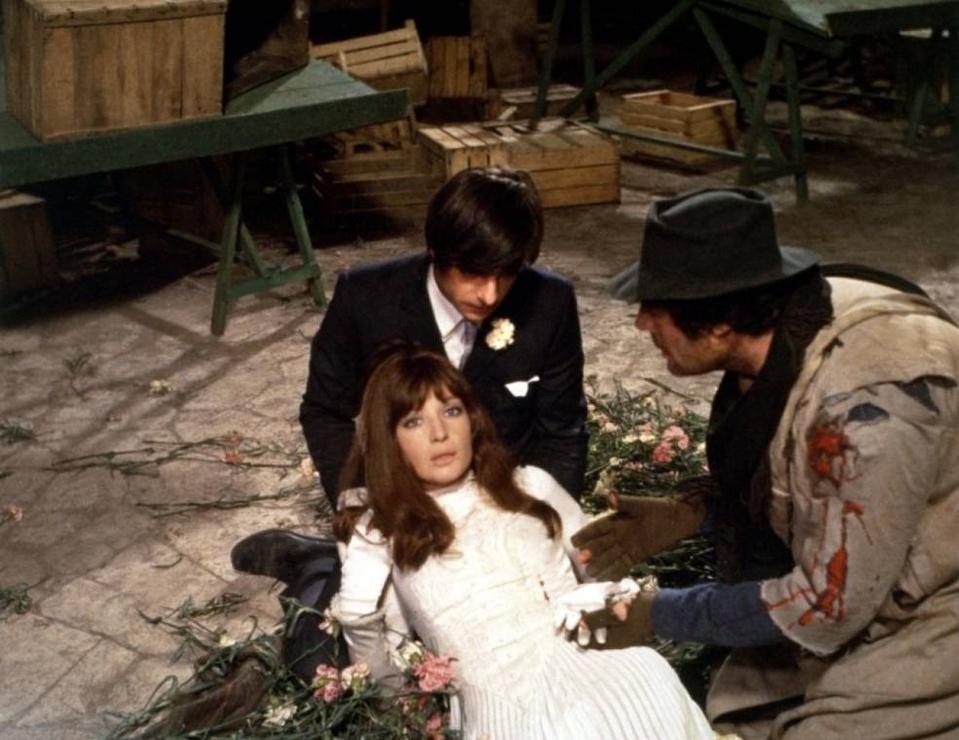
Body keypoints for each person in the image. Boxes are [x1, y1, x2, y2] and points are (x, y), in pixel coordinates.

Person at [569, 187, 959, 739]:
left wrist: (658, 612)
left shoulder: (864, 409)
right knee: (741, 703)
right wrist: (698, 515)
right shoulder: (786, 327)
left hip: (935, 601)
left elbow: (828, 603)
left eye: (656, 309)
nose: (640, 325)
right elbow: (792, 467)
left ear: (719, 323)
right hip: (872, 566)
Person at [231, 166, 589, 679]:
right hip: (402, 508)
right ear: (434, 251)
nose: (490, 295)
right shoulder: (365, 297)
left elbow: (561, 431)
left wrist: (536, 527)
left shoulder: (550, 301)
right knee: (327, 659)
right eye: (472, 273)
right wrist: (367, 509)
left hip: (497, 501)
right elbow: (324, 411)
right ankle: (317, 566)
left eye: (507, 274)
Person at [330, 343, 715, 739]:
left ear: (472, 420)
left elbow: (604, 574)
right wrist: (358, 614)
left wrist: (610, 598)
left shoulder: (530, 484)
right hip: (503, 711)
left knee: (642, 683)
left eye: (452, 411)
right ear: (389, 441)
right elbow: (391, 689)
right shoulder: (382, 532)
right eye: (413, 421)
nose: (440, 433)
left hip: (601, 667)